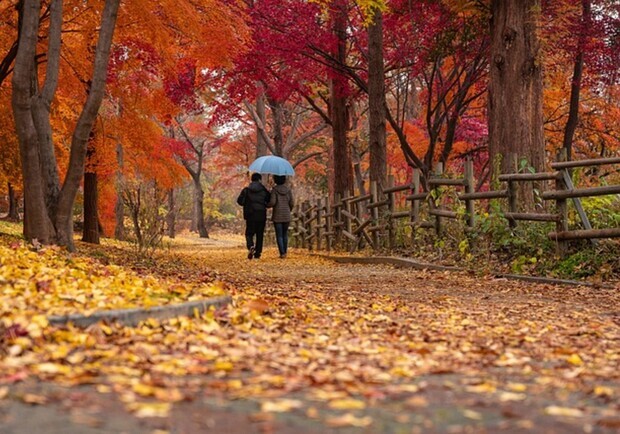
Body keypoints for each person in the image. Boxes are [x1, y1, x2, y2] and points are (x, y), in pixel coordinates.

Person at [237, 173, 271, 260]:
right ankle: (257, 253)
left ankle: (251, 246)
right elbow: (269, 199)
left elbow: (239, 201)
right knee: (260, 234)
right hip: (261, 214)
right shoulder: (263, 190)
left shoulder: (246, 190)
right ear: (259, 180)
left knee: (249, 233)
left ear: (251, 180)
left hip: (250, 214)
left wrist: (246, 204)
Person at [268, 175, 294, 259]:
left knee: (279, 235)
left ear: (275, 180)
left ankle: (282, 253)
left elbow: (272, 202)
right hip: (286, 214)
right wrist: (288, 210)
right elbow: (292, 202)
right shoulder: (288, 190)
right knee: (285, 234)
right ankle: (285, 252)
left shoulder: (274, 190)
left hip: (277, 215)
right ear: (284, 180)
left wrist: (266, 204)